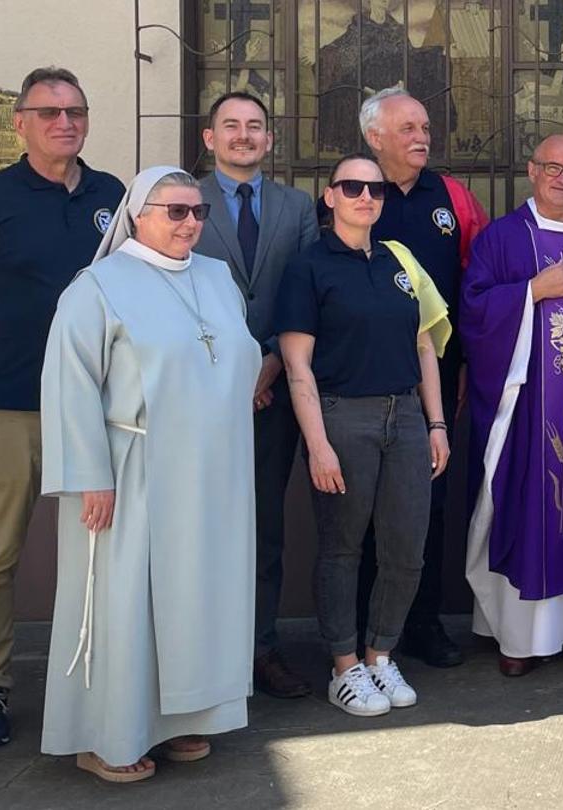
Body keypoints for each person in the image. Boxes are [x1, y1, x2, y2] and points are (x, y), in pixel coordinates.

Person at [40, 166, 259, 782]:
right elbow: (70, 384)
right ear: (137, 215)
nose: (190, 224)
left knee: (199, 595)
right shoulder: (97, 287)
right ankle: (106, 736)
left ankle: (184, 716)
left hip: (212, 473)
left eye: (198, 212)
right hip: (131, 469)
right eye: (175, 212)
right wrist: (91, 475)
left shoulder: (216, 278)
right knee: (127, 601)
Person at [0, 66, 126, 748]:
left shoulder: (112, 196)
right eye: (49, 112)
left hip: (99, 411)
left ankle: (105, 681)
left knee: (106, 551)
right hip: (11, 406)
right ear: (20, 122)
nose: (64, 123)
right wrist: (0, 361)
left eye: (75, 111)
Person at [277, 154, 451, 716]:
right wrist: (317, 444)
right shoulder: (308, 267)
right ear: (329, 196)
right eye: (352, 187)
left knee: (406, 548)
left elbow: (425, 346)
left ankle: (380, 654)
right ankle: (344, 665)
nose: (366, 197)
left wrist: (436, 423)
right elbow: (297, 365)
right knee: (343, 547)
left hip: (405, 417)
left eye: (375, 189)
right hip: (342, 417)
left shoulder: (401, 259)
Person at [461, 134, 563, 677]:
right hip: (528, 406)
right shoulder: (503, 237)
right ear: (532, 171)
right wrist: (531, 290)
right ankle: (522, 637)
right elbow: (473, 312)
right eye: (553, 167)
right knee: (531, 506)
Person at [192, 90, 321, 700]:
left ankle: (259, 650)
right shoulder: (185, 201)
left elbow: (304, 290)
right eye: (231, 125)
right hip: (201, 395)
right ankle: (204, 653)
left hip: (274, 388)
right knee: (202, 527)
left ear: (270, 139)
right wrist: (231, 373)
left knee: (264, 526)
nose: (243, 135)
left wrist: (268, 364)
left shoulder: (297, 207)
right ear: (210, 138)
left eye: (254, 126)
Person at [363, 86, 489, 669]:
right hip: (363, 378)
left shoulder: (453, 197)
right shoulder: (354, 191)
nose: (422, 137)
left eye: (425, 127)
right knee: (364, 511)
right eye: (408, 128)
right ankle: (366, 631)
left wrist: (465, 362)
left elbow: (476, 284)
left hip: (435, 379)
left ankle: (423, 622)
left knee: (428, 503)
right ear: (375, 137)